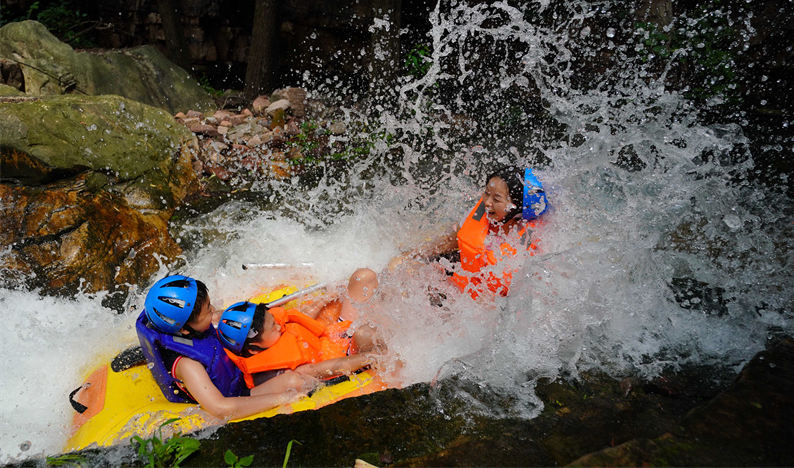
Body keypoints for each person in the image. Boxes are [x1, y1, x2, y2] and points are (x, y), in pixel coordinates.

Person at [136, 275, 317, 420]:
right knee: (296, 381)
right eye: (208, 310)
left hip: (234, 368)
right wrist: (283, 398)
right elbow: (220, 408)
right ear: (184, 329)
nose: (213, 310)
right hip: (239, 394)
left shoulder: (185, 328)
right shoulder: (187, 365)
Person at [361, 166, 549, 300]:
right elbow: (447, 242)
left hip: (473, 306)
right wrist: (410, 254)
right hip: (455, 285)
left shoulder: (527, 245)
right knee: (398, 264)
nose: (487, 202)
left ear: (517, 207)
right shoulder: (481, 216)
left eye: (496, 199)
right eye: (486, 193)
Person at [218, 280, 386, 388]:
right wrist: (373, 357)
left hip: (338, 334)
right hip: (349, 356)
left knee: (363, 278)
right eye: (273, 327)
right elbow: (319, 369)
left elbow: (298, 318)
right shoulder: (276, 372)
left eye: (274, 320)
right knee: (366, 333)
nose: (278, 326)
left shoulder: (268, 334)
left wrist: (328, 297)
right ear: (254, 349)